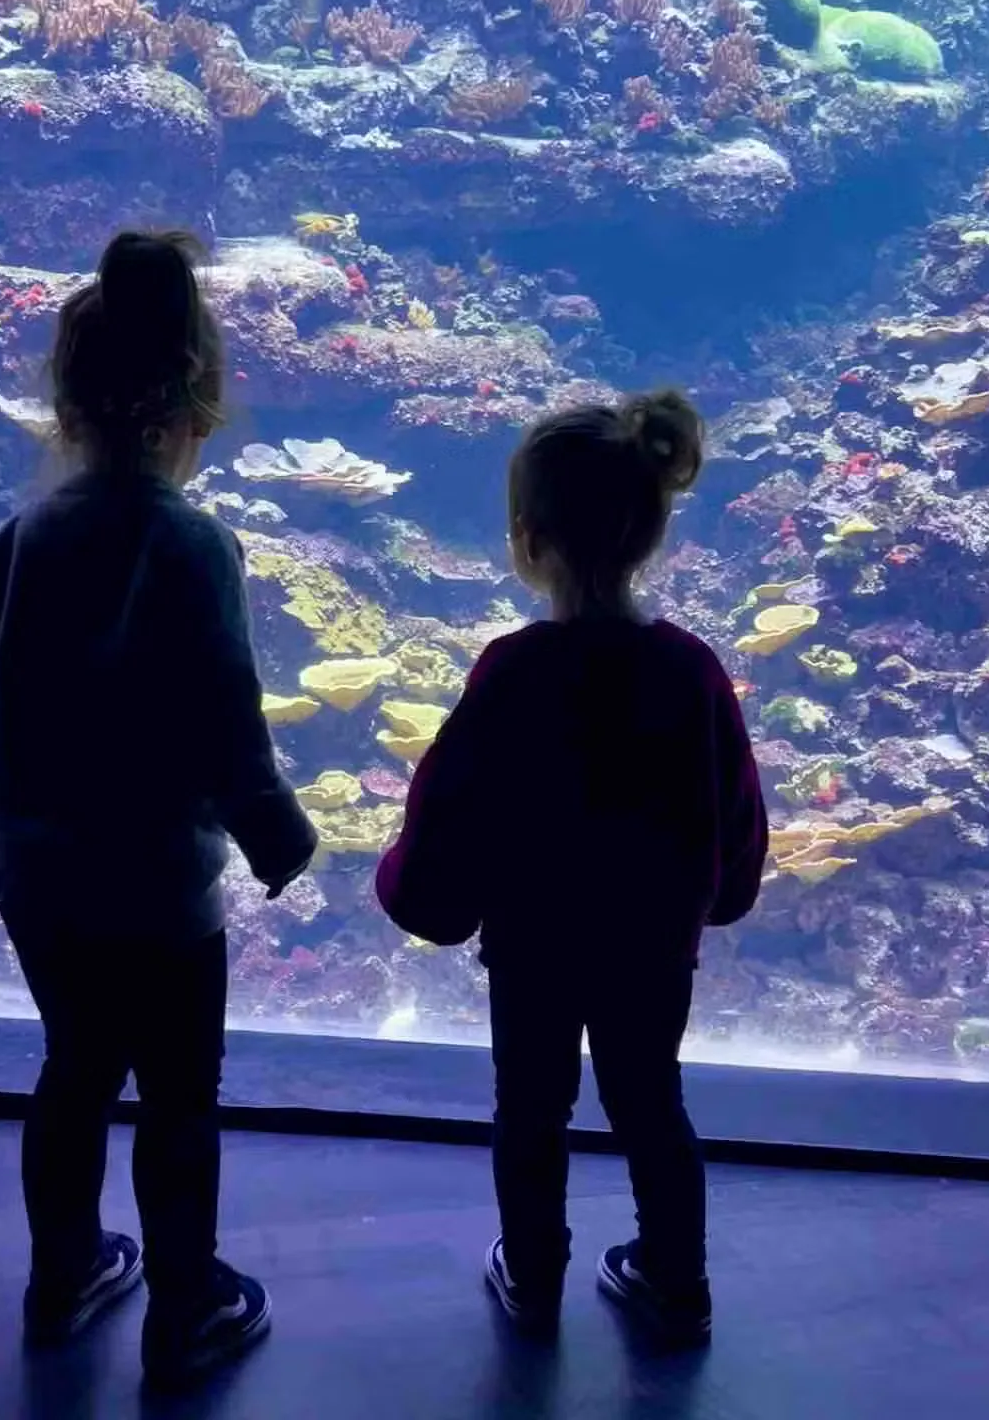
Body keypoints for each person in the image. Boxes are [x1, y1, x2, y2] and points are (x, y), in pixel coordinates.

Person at [0, 228, 318, 1385]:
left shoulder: (24, 537)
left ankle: (63, 1275)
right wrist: (276, 830)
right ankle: (185, 1301)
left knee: (73, 1069)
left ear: (67, 401)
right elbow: (223, 709)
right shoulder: (192, 542)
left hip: (39, 874)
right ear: (195, 405)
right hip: (159, 884)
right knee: (179, 1097)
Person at [375, 393, 767, 1347]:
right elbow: (737, 816)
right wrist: (716, 897)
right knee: (650, 1103)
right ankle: (677, 1282)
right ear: (651, 531)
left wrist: (412, 890)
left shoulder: (512, 671)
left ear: (525, 537)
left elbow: (449, 812)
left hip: (533, 949)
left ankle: (534, 1270)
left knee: (530, 1107)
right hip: (650, 946)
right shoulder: (689, 670)